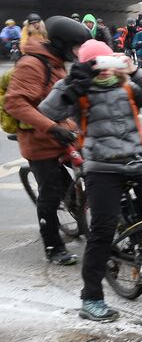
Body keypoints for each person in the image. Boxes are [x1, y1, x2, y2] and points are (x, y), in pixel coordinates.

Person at [39, 40, 142, 323]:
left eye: (106, 62)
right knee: (102, 231)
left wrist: (136, 70)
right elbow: (48, 113)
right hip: (103, 169)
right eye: (95, 64)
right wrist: (71, 84)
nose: (103, 70)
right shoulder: (80, 89)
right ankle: (91, 299)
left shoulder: (127, 85)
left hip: (139, 162)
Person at [4, 15, 89, 266]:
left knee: (90, 172)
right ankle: (53, 246)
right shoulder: (32, 64)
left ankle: (81, 210)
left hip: (64, 133)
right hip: (39, 139)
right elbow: (15, 103)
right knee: (50, 194)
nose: (77, 52)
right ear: (62, 43)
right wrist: (51, 128)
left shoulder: (57, 62)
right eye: (75, 46)